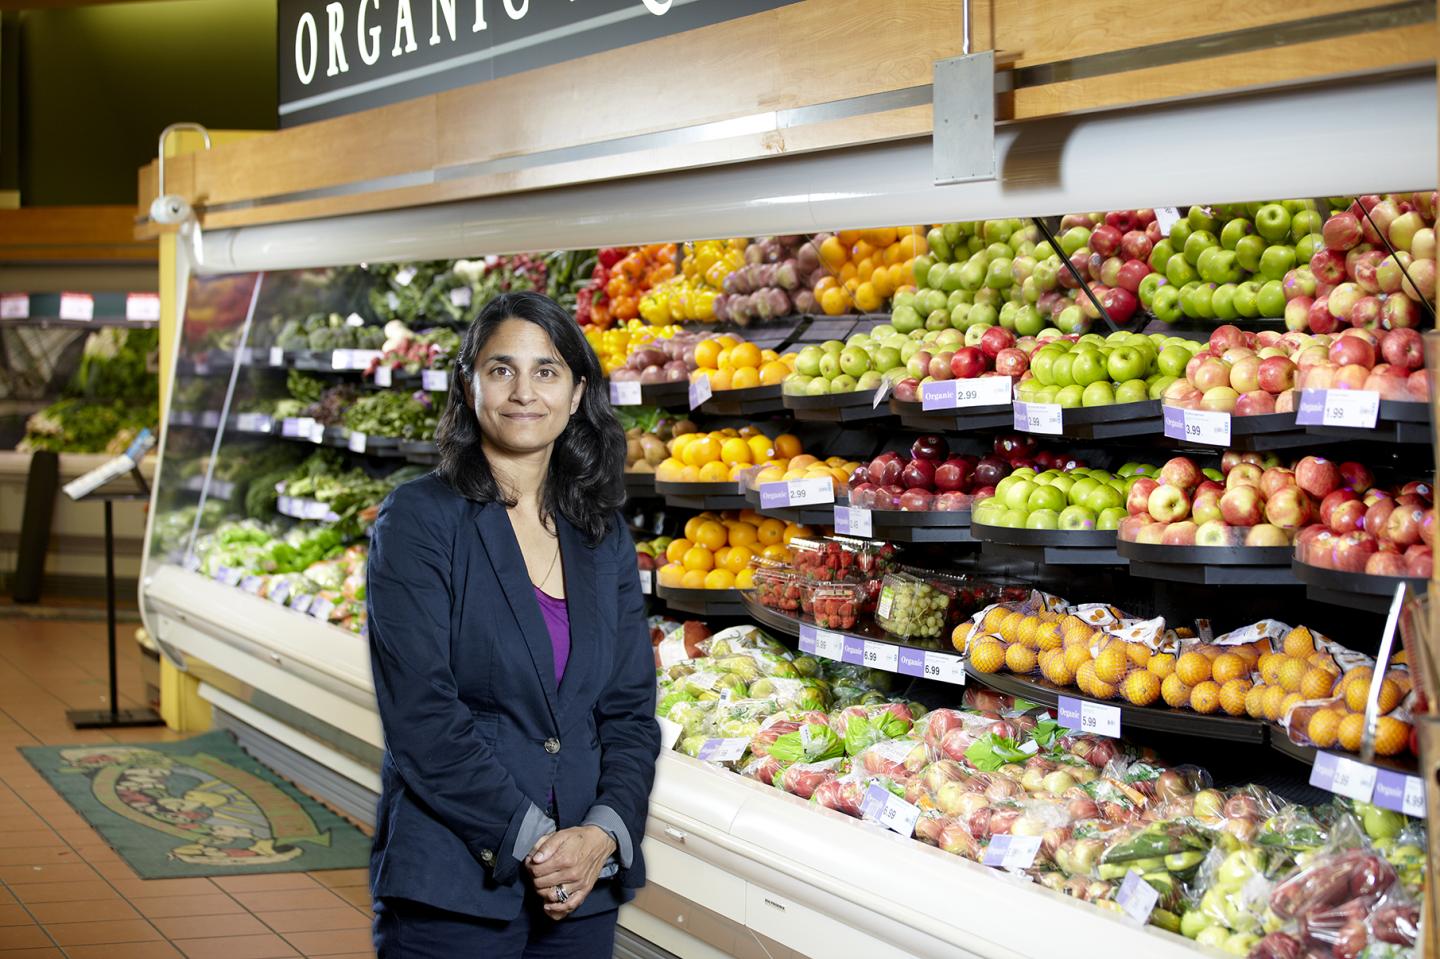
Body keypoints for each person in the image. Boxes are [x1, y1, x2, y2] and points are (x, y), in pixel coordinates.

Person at [366, 291, 659, 957]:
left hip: (582, 890)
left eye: (547, 371)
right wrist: (536, 842)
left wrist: (604, 833)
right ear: (469, 385)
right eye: (501, 369)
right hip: (455, 888)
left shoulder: (600, 531)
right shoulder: (419, 519)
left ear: (578, 391)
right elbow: (422, 715)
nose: (524, 391)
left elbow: (630, 709)